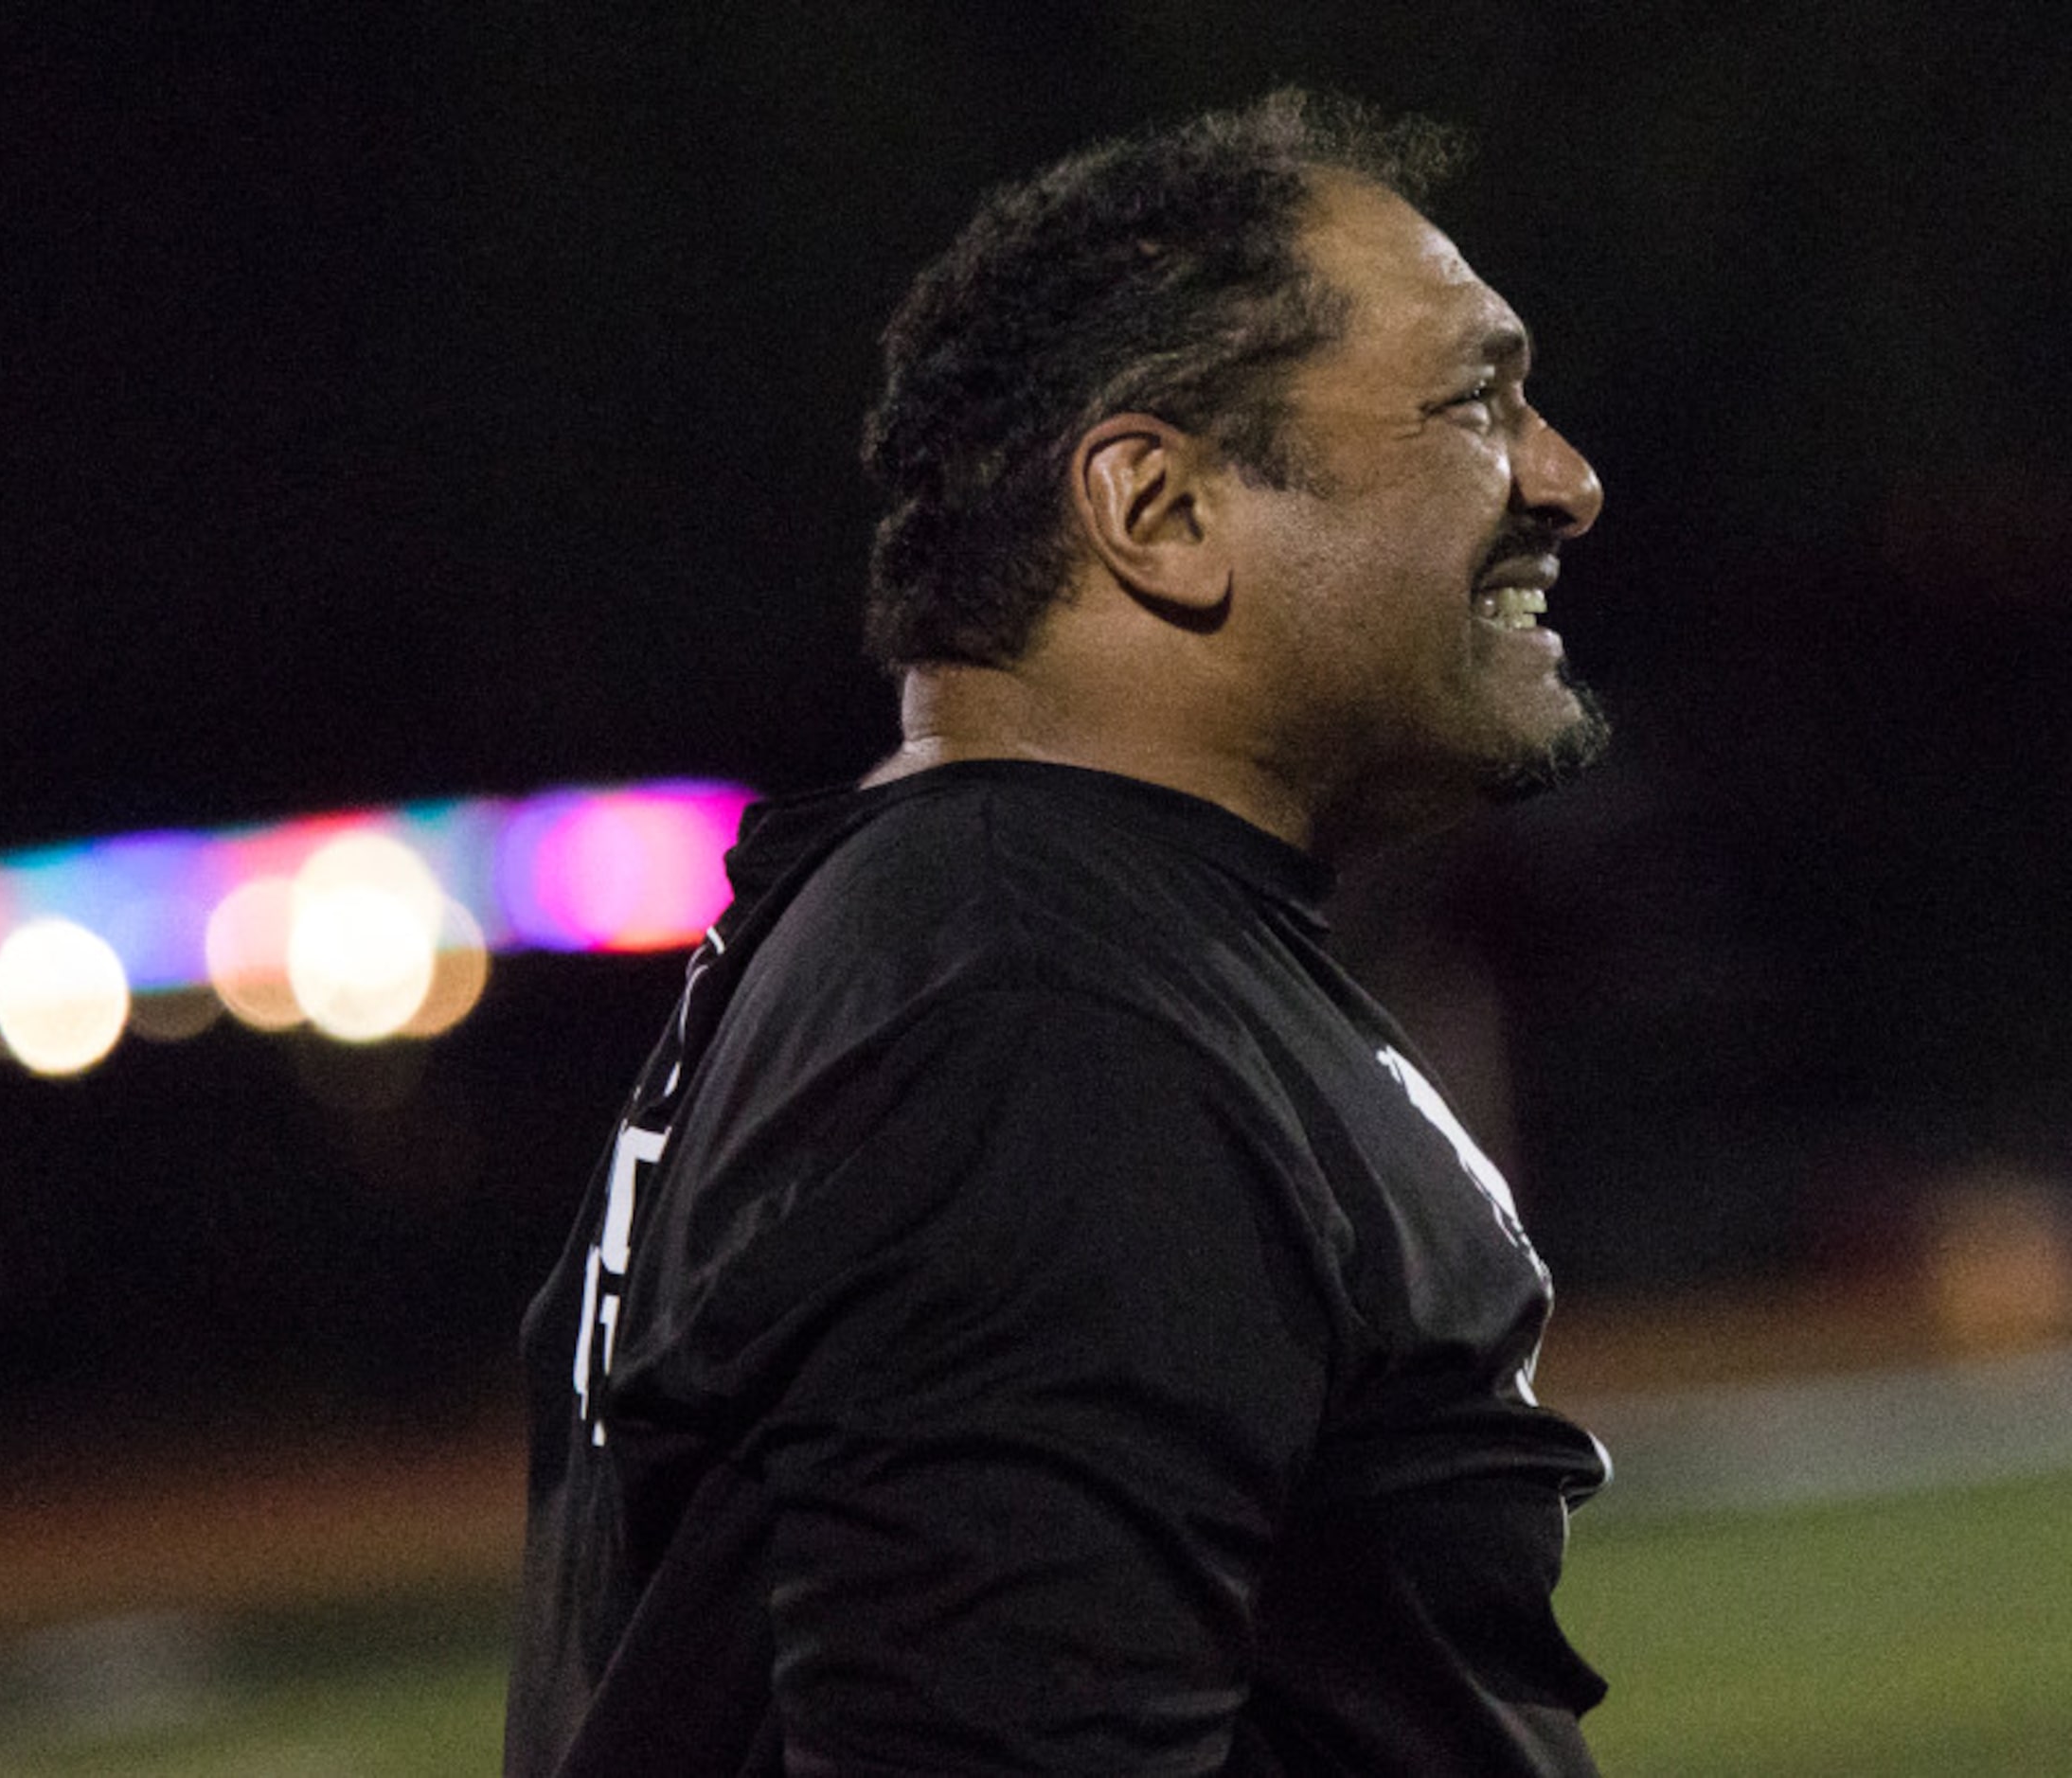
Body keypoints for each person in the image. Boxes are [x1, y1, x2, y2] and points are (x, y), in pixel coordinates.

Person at [507, 89, 1617, 1775]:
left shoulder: (999, 925)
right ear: (1157, 506)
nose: (1567, 479)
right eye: (1479, 399)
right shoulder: (1042, 1011)